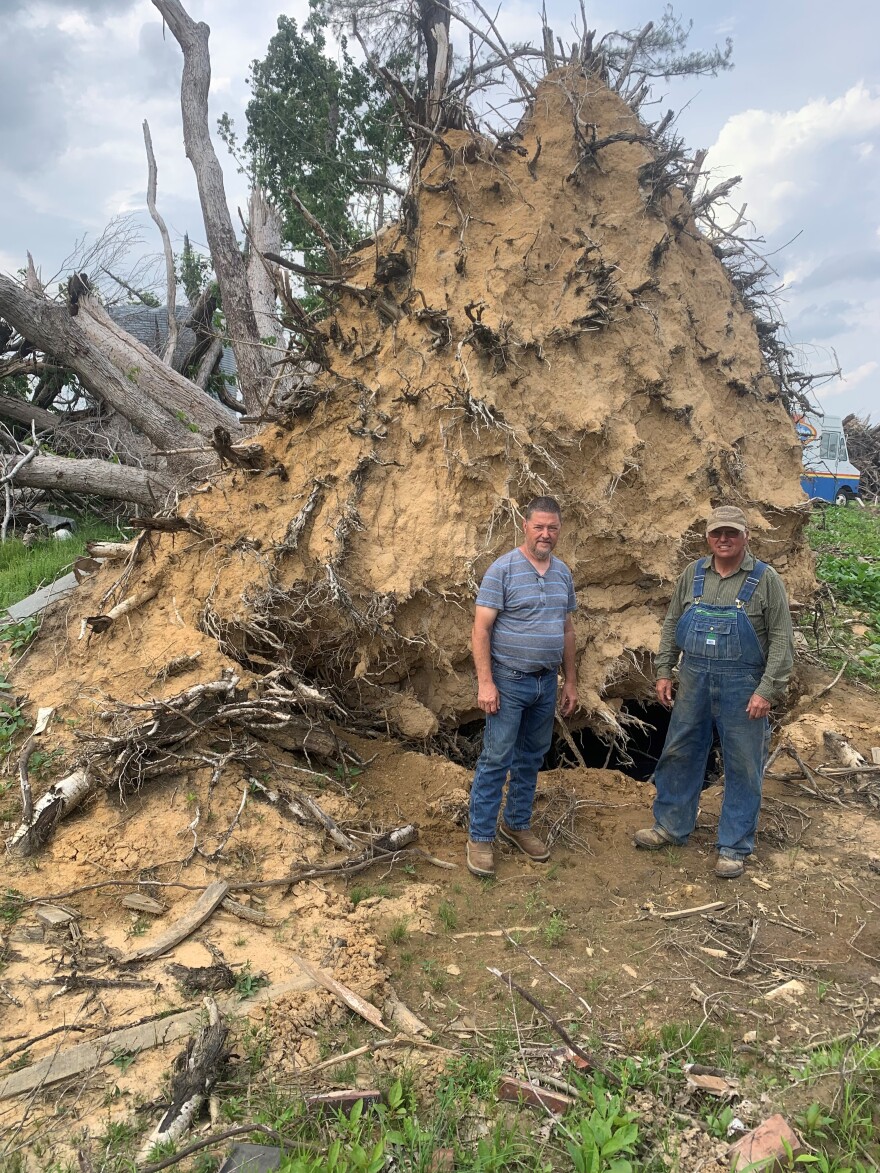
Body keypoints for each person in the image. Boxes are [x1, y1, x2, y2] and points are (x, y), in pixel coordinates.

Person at [633, 505, 794, 879]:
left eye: (732, 533)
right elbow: (673, 620)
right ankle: (671, 827)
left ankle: (734, 846)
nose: (724, 539)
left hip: (744, 686)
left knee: (743, 763)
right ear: (708, 536)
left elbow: (783, 640)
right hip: (693, 679)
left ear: (745, 536)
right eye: (717, 533)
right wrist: (663, 670)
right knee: (681, 751)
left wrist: (767, 690)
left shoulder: (765, 579)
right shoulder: (693, 574)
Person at [466, 496, 578, 877]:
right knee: (496, 758)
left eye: (553, 528)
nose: (546, 534)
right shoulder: (503, 570)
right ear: (525, 527)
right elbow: (481, 630)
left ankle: (516, 824)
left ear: (559, 530)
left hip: (546, 684)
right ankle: (480, 837)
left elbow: (566, 630)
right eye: (539, 527)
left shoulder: (562, 573)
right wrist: (486, 683)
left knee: (531, 757)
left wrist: (571, 682)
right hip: (509, 682)